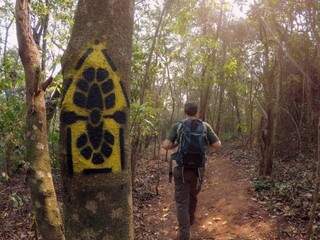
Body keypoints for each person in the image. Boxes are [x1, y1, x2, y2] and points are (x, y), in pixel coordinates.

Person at [162, 102, 221, 240]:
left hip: (181, 169)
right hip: (198, 170)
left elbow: (166, 145)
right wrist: (204, 143)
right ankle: (190, 221)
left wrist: (176, 143)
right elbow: (218, 145)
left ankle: (184, 234)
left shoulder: (178, 126)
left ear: (185, 112)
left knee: (182, 201)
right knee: (193, 196)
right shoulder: (205, 126)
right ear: (197, 112)